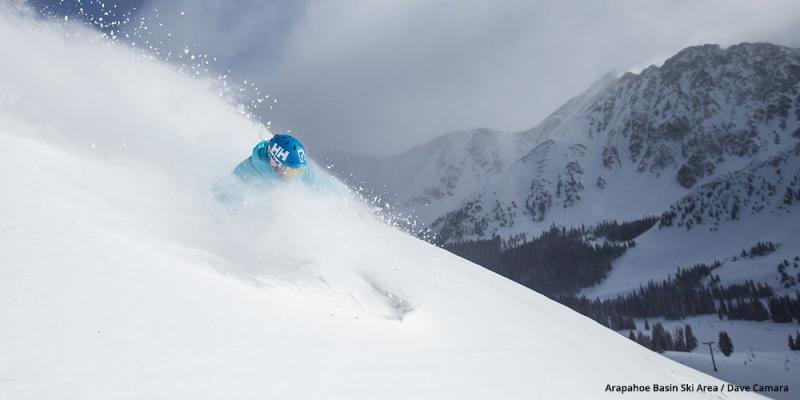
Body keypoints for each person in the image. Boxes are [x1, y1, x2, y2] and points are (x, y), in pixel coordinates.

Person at [233, 133, 314, 185]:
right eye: (291, 172)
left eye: (298, 171)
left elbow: (315, 185)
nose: (294, 177)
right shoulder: (245, 173)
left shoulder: (295, 164)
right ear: (275, 163)